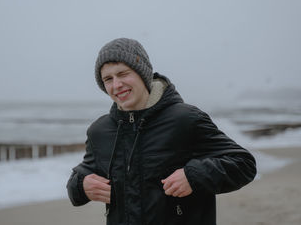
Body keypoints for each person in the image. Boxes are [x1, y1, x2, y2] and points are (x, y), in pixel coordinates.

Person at [66, 38, 256, 225]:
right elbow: (79, 178)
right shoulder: (100, 131)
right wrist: (81, 186)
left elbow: (243, 163)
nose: (116, 85)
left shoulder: (185, 119)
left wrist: (194, 176)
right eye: (108, 79)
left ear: (143, 73)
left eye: (123, 74)